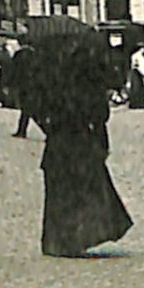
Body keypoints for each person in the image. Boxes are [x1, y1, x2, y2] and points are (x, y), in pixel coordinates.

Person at [35, 32, 133, 257]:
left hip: (58, 145)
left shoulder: (55, 82)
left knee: (59, 195)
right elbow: (99, 114)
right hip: (80, 144)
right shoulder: (88, 85)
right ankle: (77, 239)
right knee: (83, 192)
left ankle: (55, 242)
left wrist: (49, 127)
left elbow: (41, 108)